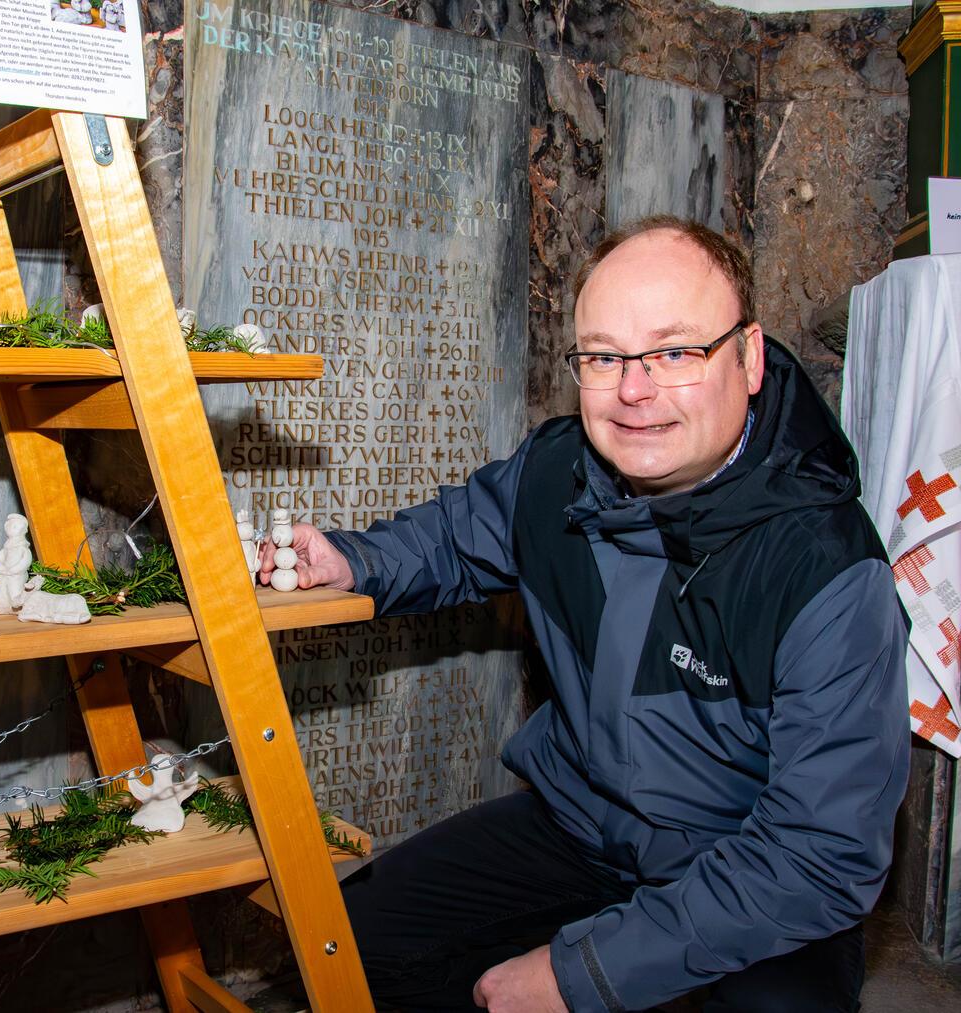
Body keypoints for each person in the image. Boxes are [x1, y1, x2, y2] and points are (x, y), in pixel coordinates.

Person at [259, 216, 909, 1012]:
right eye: (604, 356)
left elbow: (818, 855)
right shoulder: (559, 468)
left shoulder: (826, 569)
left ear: (749, 358)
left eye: (675, 351)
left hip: (742, 866)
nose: (634, 391)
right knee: (340, 944)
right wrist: (354, 560)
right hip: (577, 828)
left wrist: (578, 975)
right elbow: (459, 535)